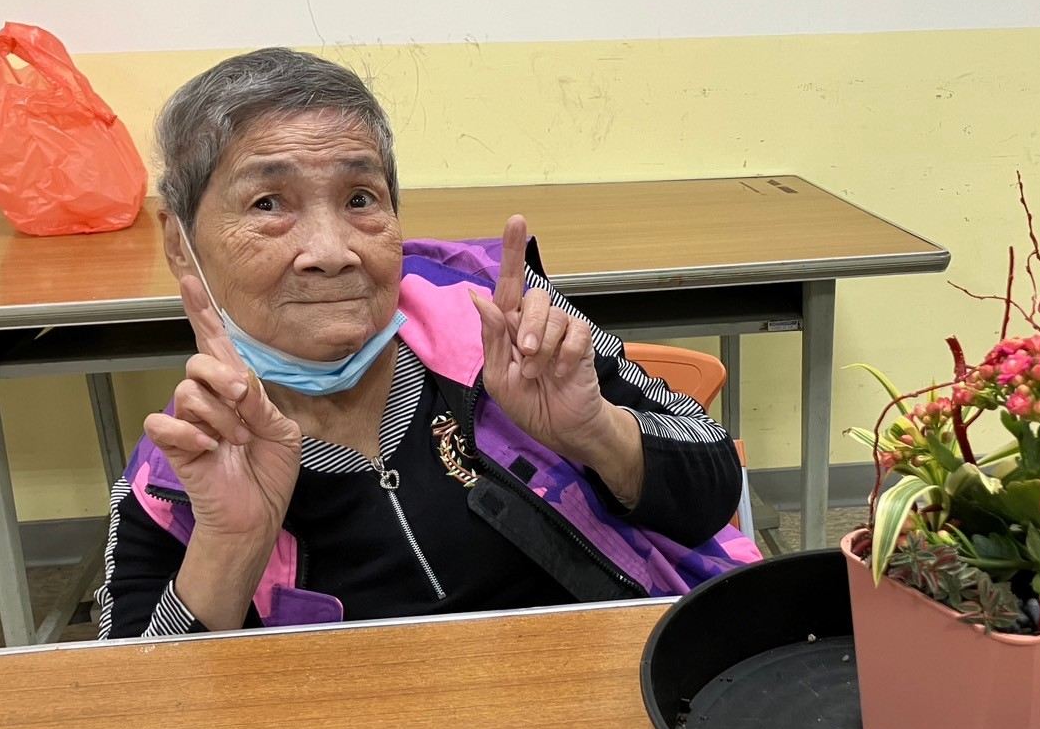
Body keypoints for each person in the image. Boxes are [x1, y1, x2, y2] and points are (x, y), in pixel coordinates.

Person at [95, 48, 758, 638]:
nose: (331, 251)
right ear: (180, 241)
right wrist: (230, 544)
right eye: (268, 204)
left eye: (360, 199)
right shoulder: (179, 469)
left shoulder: (494, 313)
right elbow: (138, 708)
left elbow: (714, 483)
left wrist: (597, 432)